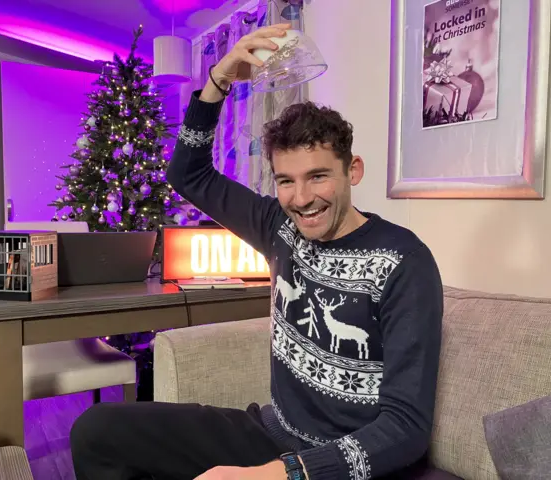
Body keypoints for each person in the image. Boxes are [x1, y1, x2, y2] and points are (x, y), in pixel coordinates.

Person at [70, 23, 443, 480]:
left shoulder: (405, 261)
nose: (302, 197)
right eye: (287, 180)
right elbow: (190, 175)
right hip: (273, 433)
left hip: (345, 464)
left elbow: (406, 428)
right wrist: (218, 80)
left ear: (353, 171)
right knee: (97, 430)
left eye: (318, 176)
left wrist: (280, 475)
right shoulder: (278, 226)